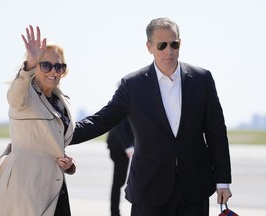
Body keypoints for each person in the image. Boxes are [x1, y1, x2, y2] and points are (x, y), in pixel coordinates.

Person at [71, 17, 232, 216]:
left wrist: (223, 180)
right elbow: (101, 120)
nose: (169, 50)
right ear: (149, 46)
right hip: (149, 191)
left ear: (180, 43)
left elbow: (216, 131)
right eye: (162, 45)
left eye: (174, 44)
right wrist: (62, 133)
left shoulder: (202, 79)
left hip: (194, 190)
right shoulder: (132, 85)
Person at [0, 25, 75, 216]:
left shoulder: (61, 100)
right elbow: (14, 97)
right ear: (35, 66)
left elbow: (54, 143)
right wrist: (29, 65)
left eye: (59, 66)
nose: (53, 71)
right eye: (45, 65)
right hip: (27, 187)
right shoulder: (25, 95)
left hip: (55, 188)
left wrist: (68, 165)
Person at [106, 117, 134, 216]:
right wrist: (127, 147)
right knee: (118, 183)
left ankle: (114, 212)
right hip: (118, 148)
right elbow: (119, 128)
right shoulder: (127, 102)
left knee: (119, 182)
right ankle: (114, 212)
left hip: (122, 147)